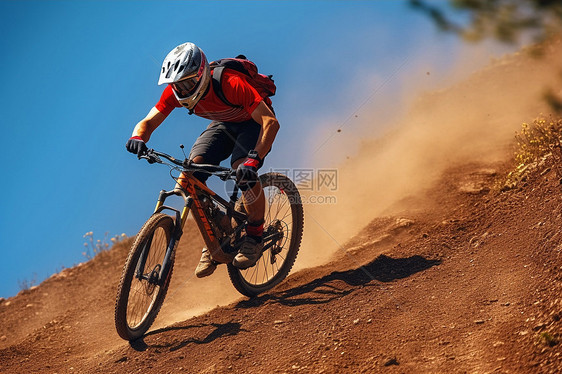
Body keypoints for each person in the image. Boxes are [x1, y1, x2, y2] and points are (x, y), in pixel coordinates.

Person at [125, 42, 280, 277]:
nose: (182, 90)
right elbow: (148, 122)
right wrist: (138, 137)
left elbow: (270, 122)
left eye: (186, 83)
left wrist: (254, 160)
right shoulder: (175, 92)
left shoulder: (230, 83)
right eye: (177, 85)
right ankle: (220, 235)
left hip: (253, 123)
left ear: (201, 75)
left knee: (241, 170)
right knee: (188, 178)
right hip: (223, 124)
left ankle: (255, 236)